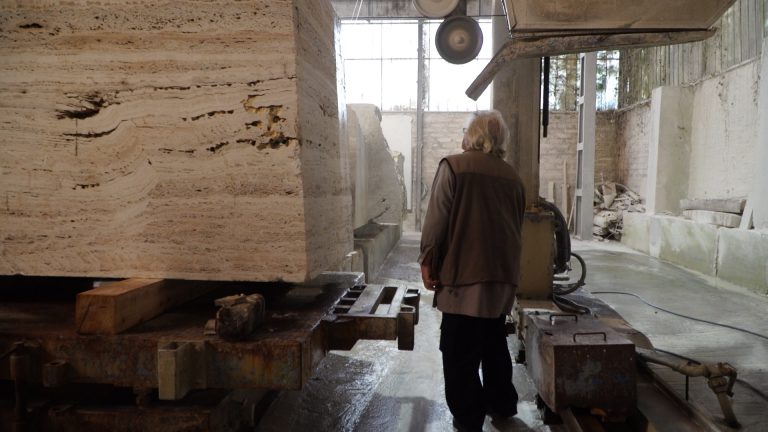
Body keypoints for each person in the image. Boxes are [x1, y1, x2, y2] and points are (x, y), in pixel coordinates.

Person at [419, 110, 526, 432]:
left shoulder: (453, 166)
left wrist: (427, 260)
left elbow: (437, 221)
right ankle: (502, 403)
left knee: (459, 353)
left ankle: (468, 417)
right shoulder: (513, 177)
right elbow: (517, 226)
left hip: (463, 280)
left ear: (474, 134)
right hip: (502, 278)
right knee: (493, 342)